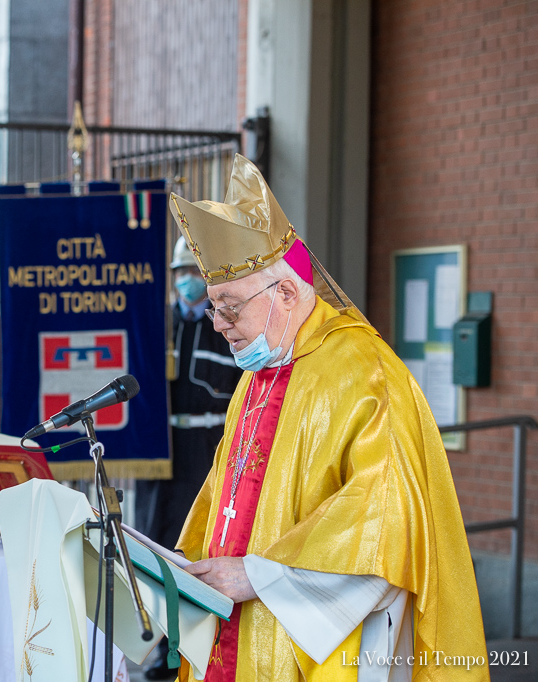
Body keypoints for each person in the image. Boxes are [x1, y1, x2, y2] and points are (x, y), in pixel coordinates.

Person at [168, 154, 486, 681]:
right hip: (234, 632)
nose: (219, 325)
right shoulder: (257, 375)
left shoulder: (367, 372)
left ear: (286, 293)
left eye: (229, 307)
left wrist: (259, 574)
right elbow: (224, 499)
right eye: (213, 308)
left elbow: (386, 520)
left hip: (324, 645)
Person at [134, 236, 243, 680]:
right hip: (160, 455)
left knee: (197, 545)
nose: (185, 282)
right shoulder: (156, 323)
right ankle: (161, 646)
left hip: (206, 450)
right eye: (178, 274)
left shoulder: (224, 324)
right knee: (156, 544)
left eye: (191, 273)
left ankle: (196, 644)